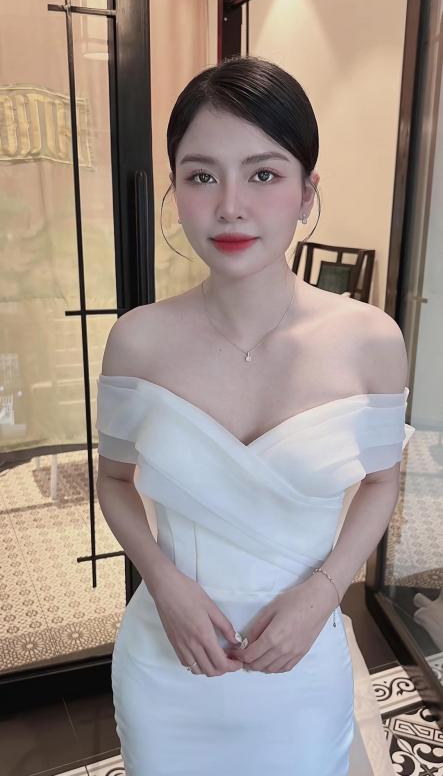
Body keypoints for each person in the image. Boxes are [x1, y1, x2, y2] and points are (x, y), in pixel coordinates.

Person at [95, 55, 415, 775]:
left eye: (263, 174)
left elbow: (381, 480)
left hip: (299, 660)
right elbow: (113, 480)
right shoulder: (137, 340)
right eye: (201, 176)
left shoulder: (370, 341)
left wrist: (325, 592)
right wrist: (162, 583)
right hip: (168, 661)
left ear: (307, 192)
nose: (230, 207)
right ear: (175, 189)